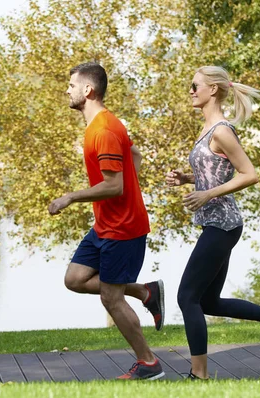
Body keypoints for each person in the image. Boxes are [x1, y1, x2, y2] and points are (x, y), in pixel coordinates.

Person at [166, 66, 260, 380]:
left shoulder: (222, 131)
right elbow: (215, 171)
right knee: (208, 301)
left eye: (194, 85)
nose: (190, 90)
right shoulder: (208, 128)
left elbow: (249, 174)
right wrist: (187, 179)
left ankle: (198, 376)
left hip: (223, 224)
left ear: (212, 89)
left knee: (187, 297)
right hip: (217, 222)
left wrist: (206, 194)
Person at [48, 62, 164, 380]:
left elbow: (114, 185)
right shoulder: (103, 125)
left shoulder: (103, 130)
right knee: (74, 278)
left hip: (122, 229)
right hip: (105, 225)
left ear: (88, 90)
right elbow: (135, 157)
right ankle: (144, 293)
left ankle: (148, 363)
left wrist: (70, 197)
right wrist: (130, 193)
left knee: (110, 298)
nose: (67, 90)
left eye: (72, 85)